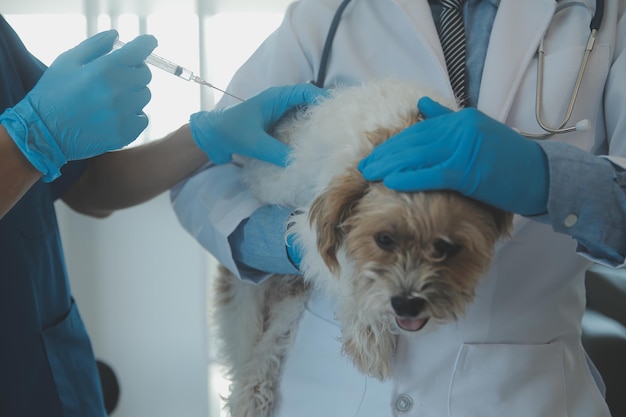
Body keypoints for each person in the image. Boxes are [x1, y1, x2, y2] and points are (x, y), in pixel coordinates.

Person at [171, 0, 626, 416]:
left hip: (519, 392)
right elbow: (202, 176)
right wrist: (302, 242)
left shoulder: (610, 14)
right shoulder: (326, 13)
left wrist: (546, 178)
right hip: (327, 386)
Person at [0, 14, 322, 417]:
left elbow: (85, 184)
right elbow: (39, 148)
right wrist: (33, 135)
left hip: (47, 372)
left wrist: (206, 136)